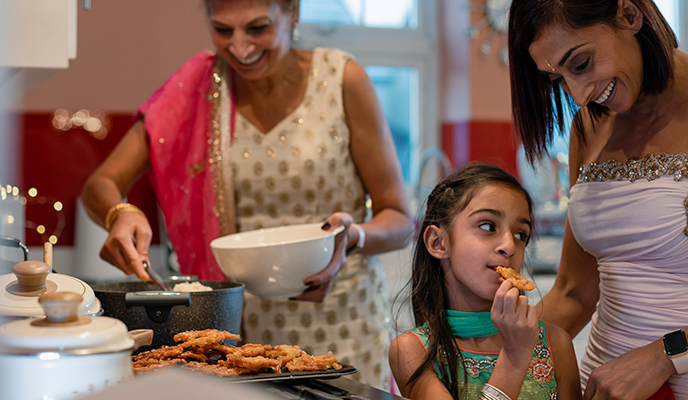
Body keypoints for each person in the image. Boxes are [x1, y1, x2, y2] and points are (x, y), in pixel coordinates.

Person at [81, 0, 413, 389]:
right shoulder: (197, 90)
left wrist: (353, 238)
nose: (239, 47)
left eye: (257, 28)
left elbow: (400, 220)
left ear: (293, 14)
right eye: (223, 30)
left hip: (346, 321)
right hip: (239, 333)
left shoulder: (343, 79)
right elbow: (98, 185)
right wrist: (119, 213)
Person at [507, 0, 688, 398]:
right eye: (558, 80)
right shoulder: (588, 127)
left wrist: (663, 356)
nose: (578, 96)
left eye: (582, 63)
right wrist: (488, 353)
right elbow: (574, 292)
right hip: (600, 384)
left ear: (628, 14)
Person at [389, 163, 581, 400]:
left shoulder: (556, 345)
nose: (510, 246)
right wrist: (514, 358)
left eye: (521, 234)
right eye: (488, 226)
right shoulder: (413, 351)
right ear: (438, 243)